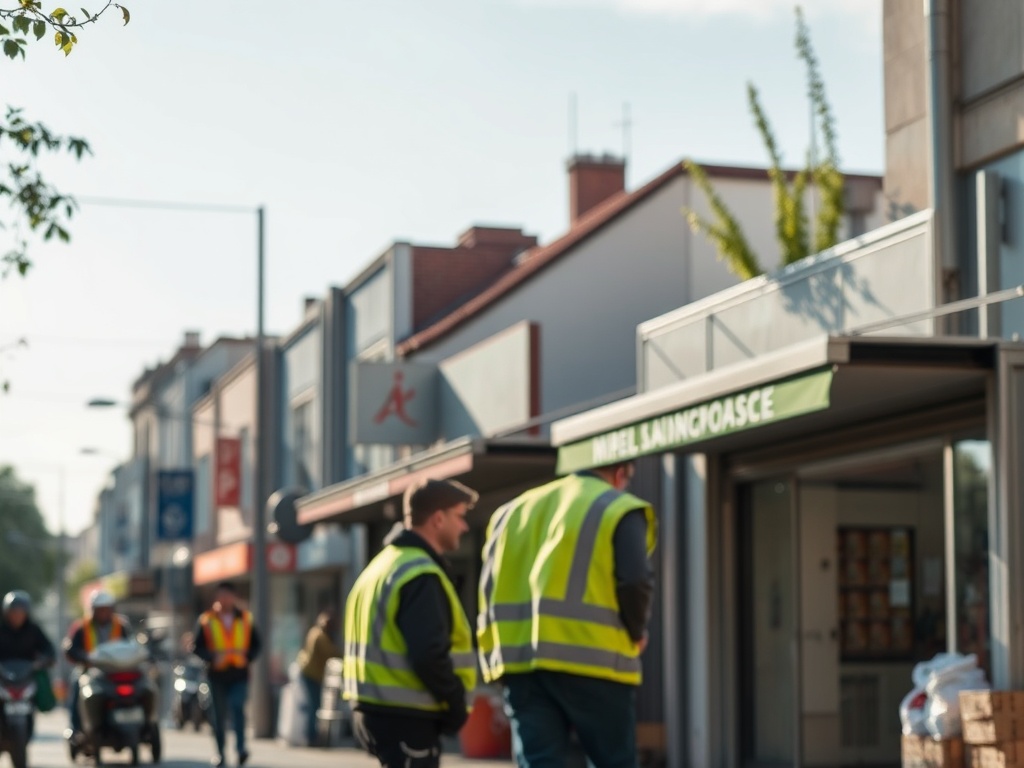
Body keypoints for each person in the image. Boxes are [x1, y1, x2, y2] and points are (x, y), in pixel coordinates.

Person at [477, 461, 657, 768]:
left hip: (521, 664)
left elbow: (488, 587)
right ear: (620, 474)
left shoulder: (510, 512)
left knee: (540, 762)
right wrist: (636, 631)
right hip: (595, 661)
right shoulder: (618, 507)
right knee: (613, 761)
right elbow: (635, 580)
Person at [344, 478, 479, 768]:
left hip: (375, 710)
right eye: (460, 517)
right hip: (407, 716)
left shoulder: (380, 566)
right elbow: (428, 653)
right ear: (438, 519)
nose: (464, 526)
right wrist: (457, 706)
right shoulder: (419, 573)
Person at [191, 582, 262, 768]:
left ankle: (240, 750)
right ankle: (221, 753)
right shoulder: (206, 619)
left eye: (228, 595)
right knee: (218, 716)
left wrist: (248, 657)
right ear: (217, 597)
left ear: (234, 597)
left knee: (238, 709)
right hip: (216, 675)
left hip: (239, 674)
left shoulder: (246, 618)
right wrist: (211, 657)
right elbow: (196, 647)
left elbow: (256, 645)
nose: (224, 599)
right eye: (221, 595)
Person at [64, 590, 132, 740]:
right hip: (89, 671)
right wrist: (84, 658)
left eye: (106, 609)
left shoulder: (122, 626)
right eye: (100, 609)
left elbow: (131, 646)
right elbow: (70, 649)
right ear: (93, 610)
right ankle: (76, 730)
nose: (103, 613)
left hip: (116, 671)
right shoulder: (81, 627)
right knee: (77, 686)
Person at [296, 610, 341, 747]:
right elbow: (331, 652)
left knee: (313, 705)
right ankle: (311, 737)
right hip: (311, 674)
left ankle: (312, 735)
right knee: (313, 705)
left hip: (310, 673)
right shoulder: (320, 636)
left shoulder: (315, 632)